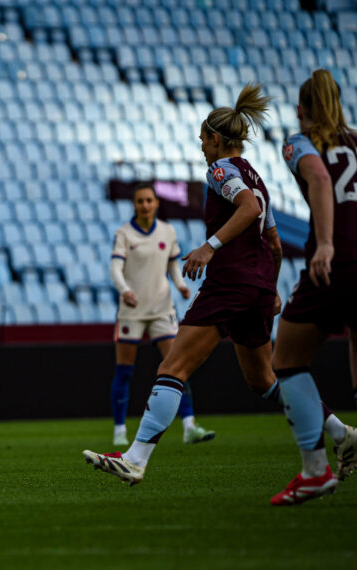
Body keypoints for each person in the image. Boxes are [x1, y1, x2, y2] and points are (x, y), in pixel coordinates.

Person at [83, 83, 284, 485]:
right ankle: (337, 430)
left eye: (203, 140)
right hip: (258, 285)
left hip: (230, 283)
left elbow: (248, 209)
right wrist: (272, 288)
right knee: (263, 379)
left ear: (215, 138)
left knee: (173, 366)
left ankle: (135, 458)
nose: (202, 148)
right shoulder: (257, 178)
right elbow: (274, 243)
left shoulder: (221, 171)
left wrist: (209, 247)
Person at [268, 69, 357, 505]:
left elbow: (321, 178)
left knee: (285, 359)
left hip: (337, 260)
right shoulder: (356, 140)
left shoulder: (299, 142)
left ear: (301, 109)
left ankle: (315, 471)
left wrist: (324, 243)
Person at [109, 184, 215, 446]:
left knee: (177, 365)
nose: (145, 205)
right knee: (124, 371)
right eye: (140, 201)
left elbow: (172, 265)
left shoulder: (168, 231)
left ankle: (189, 426)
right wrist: (125, 290)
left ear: (156, 203)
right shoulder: (124, 233)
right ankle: (120, 430)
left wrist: (180, 284)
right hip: (132, 311)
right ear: (135, 205)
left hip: (161, 309)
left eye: (149, 200)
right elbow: (115, 268)